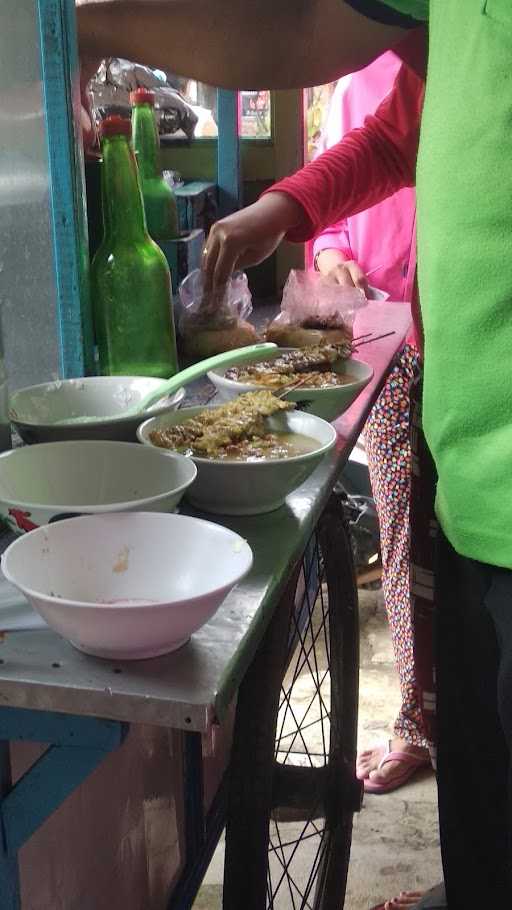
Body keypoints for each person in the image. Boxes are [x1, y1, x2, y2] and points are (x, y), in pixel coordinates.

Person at [77, 1, 512, 906]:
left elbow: (294, 26)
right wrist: (291, 204)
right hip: (476, 477)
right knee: (483, 785)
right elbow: (410, 126)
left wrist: (88, 28)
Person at [313, 53, 428, 794]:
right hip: (385, 341)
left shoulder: (456, 56)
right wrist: (330, 258)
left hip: (474, 333)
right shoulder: (351, 80)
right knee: (402, 532)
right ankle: (418, 721)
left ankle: (472, 720)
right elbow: (329, 228)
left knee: (477, 545)